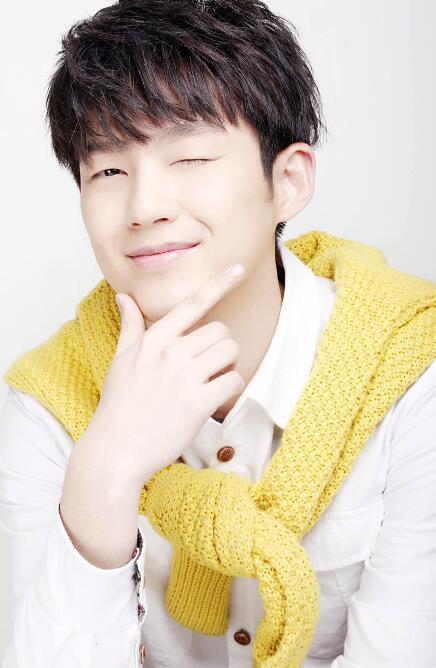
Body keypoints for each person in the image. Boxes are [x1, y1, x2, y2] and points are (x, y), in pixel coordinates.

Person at [1, 1, 435, 666]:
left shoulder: (410, 373)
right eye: (109, 171)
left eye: (191, 157)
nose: (145, 208)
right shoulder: (45, 406)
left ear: (288, 182)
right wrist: (105, 474)